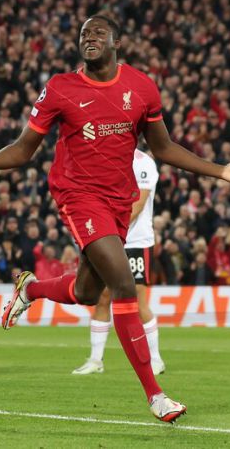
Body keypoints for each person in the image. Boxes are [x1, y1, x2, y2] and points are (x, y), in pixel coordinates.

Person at [0, 15, 230, 422]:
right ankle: (156, 395)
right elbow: (25, 148)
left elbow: (164, 148)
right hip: (78, 197)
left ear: (117, 42)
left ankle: (31, 288)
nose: (89, 38)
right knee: (124, 286)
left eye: (98, 33)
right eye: (83, 34)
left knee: (84, 292)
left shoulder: (142, 87)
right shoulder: (60, 87)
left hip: (118, 202)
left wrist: (221, 171)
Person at [73, 148, 165, 376]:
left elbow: (138, 205)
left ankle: (156, 359)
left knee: (138, 301)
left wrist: (107, 229)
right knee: (102, 298)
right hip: (108, 239)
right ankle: (96, 360)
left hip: (136, 241)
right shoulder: (105, 157)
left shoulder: (144, 163)